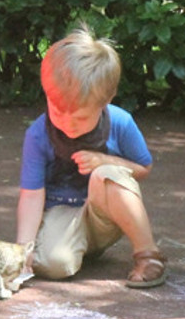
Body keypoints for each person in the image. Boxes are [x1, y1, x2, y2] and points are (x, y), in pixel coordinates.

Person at [16, 24, 167, 288]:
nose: (68, 124)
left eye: (81, 117)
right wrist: (22, 250)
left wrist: (106, 161)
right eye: (58, 111)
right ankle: (76, 248)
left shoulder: (120, 122)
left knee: (106, 175)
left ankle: (148, 255)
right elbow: (31, 194)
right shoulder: (38, 134)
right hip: (62, 213)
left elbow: (143, 168)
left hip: (104, 214)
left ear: (105, 102)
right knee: (54, 266)